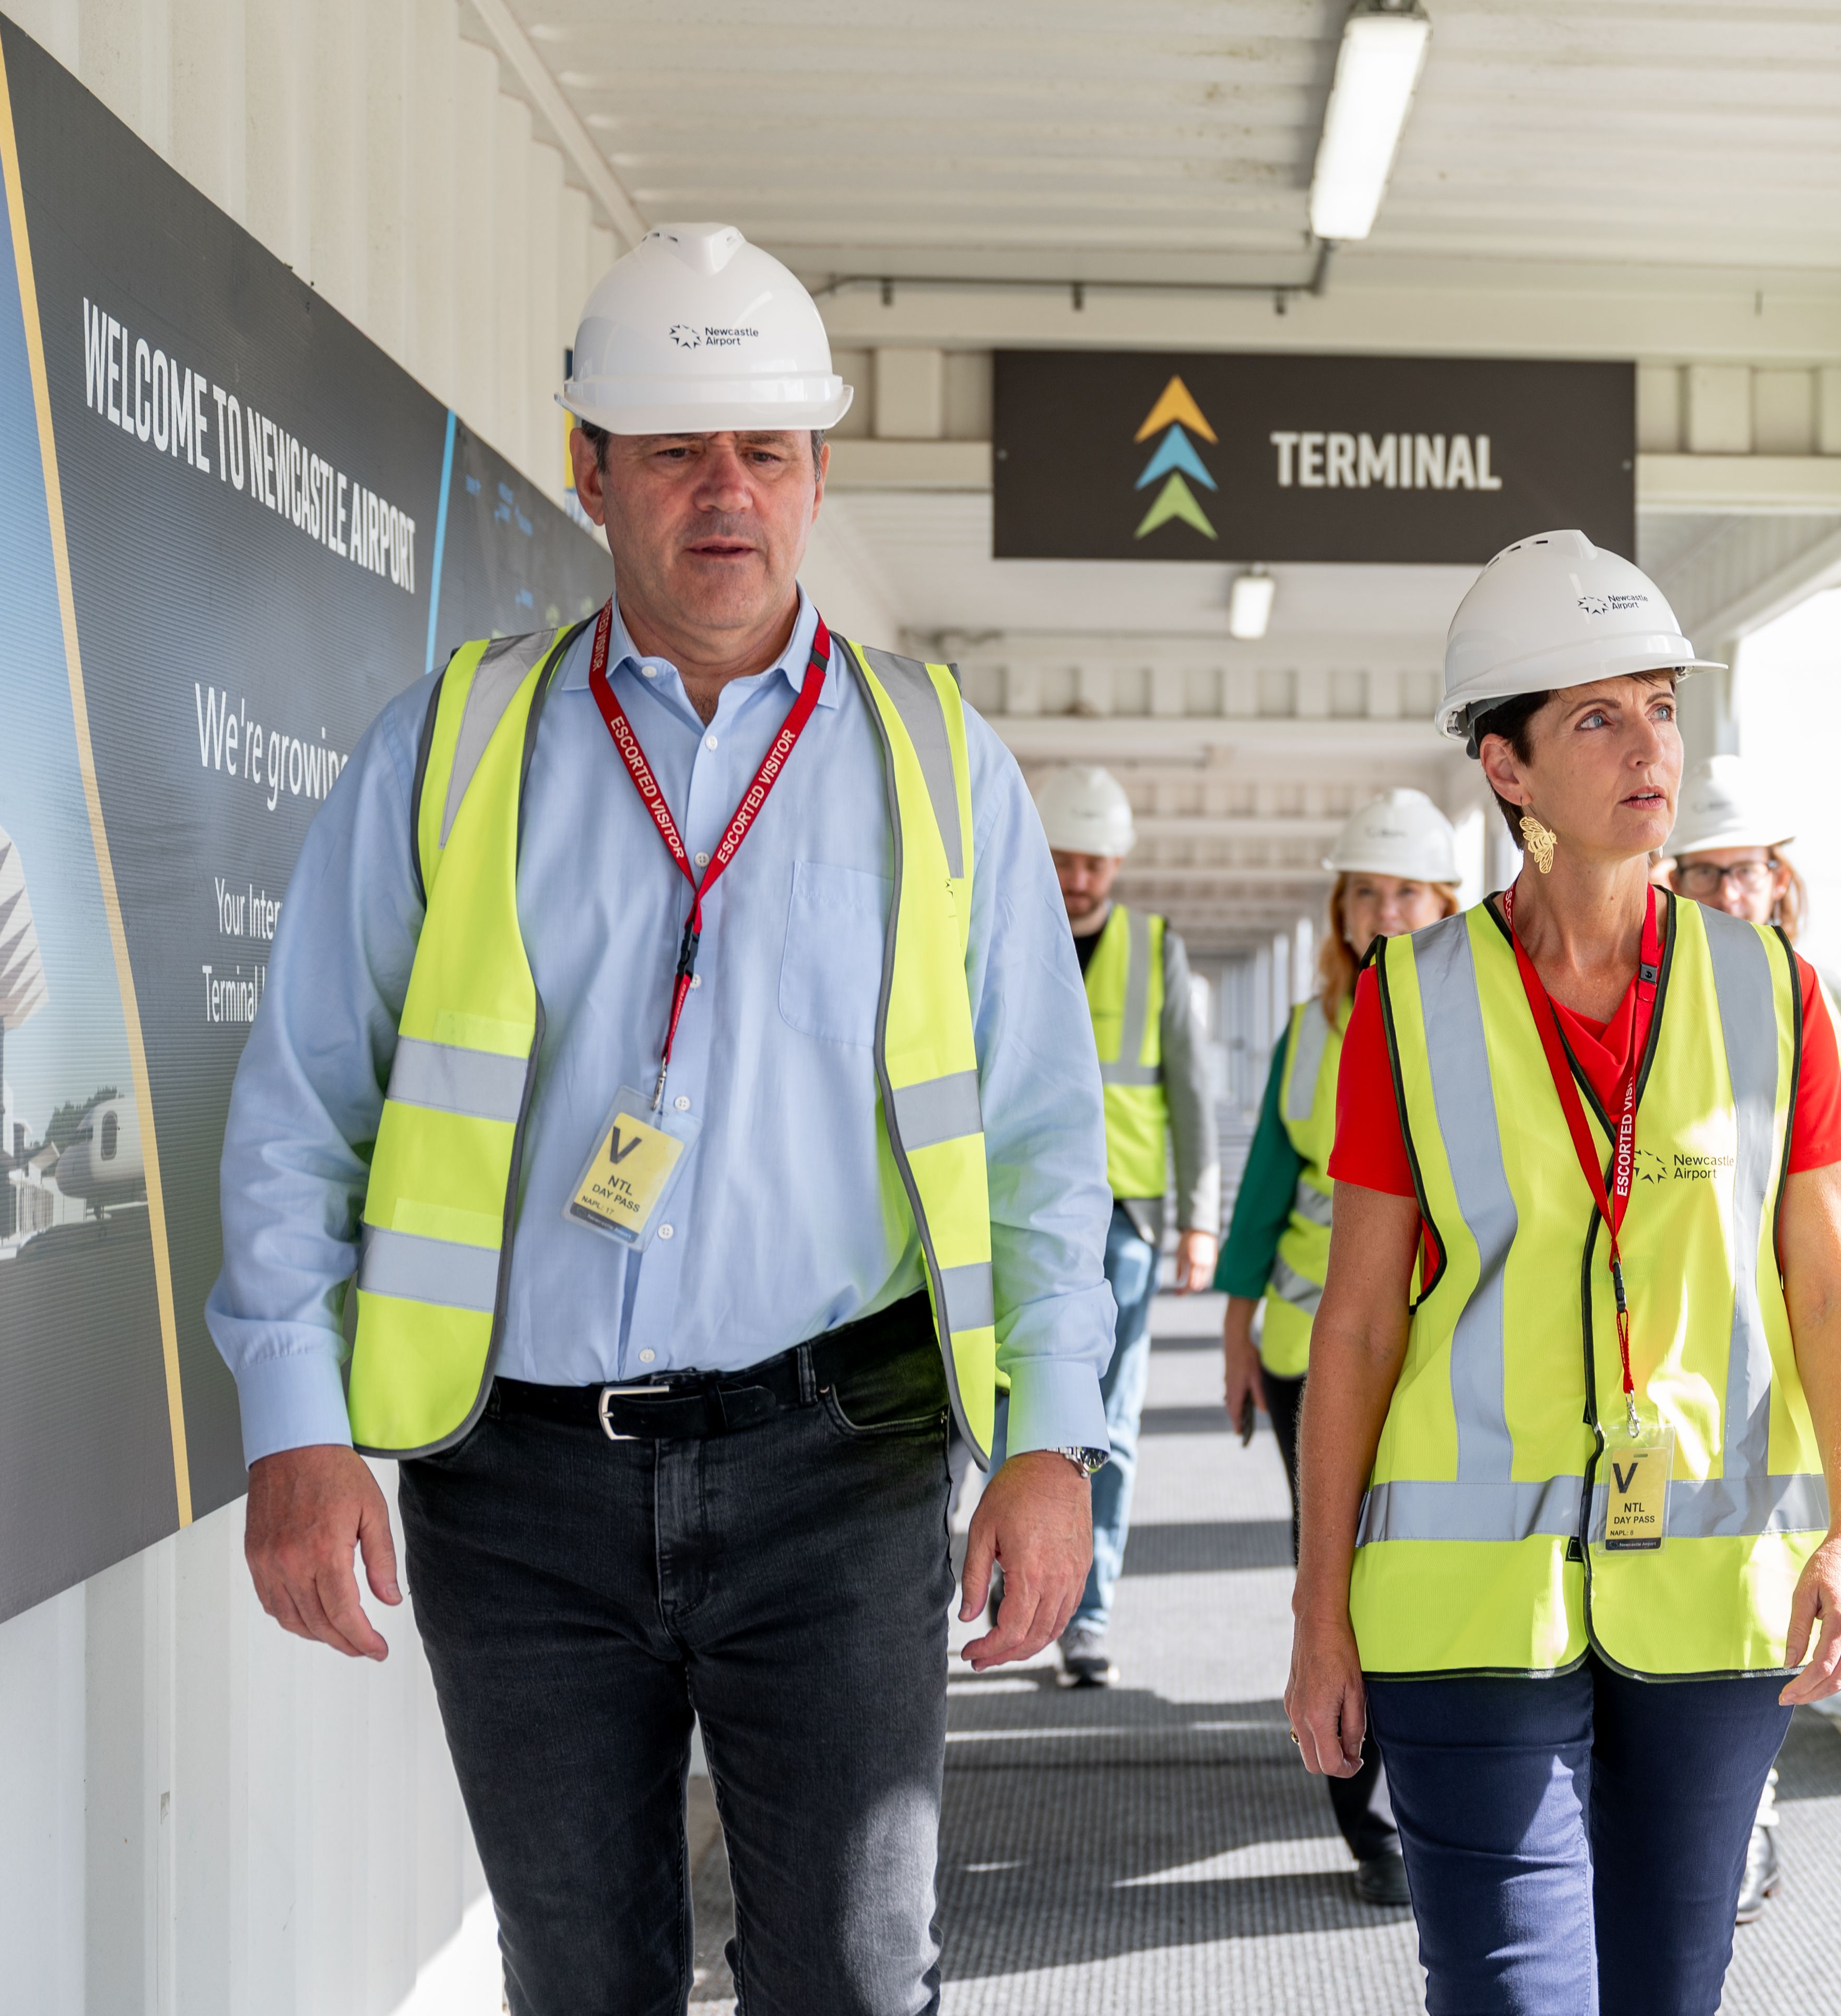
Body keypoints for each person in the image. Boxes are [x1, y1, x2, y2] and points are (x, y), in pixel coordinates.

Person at [208, 222, 1117, 2013]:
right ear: (590, 469)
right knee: (577, 1977)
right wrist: (294, 1422)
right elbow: (303, 1102)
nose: (727, 492)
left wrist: (1055, 1441)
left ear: (816, 476)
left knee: (854, 1975)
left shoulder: (937, 764)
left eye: (765, 450)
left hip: (838, 1461)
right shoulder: (449, 750)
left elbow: (1038, 1136)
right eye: (677, 451)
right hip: (514, 1481)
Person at [1284, 530, 1841, 2015]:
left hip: (1714, 1590)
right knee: (1509, 1992)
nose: (1649, 747)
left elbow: (1831, 1288)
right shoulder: (1407, 1004)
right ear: (1504, 765)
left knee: (1668, 1989)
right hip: (1460, 1600)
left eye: (1661, 708)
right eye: (1598, 717)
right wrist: (1316, 1610)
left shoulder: (1772, 989)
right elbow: (1354, 1326)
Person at [1660, 750, 1841, 1925]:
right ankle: (1717, 1807)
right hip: (1705, 1336)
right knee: (1725, 1573)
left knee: (1804, 1571)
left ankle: (1746, 1813)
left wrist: (1799, 1099)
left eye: (1745, 870)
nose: (1728, 892)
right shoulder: (1655, 994)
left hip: (1825, 1335)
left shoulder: (1833, 998)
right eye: (1705, 872)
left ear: (1779, 879)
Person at [1215, 786, 1463, 1910]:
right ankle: (1374, 1823)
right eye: (1366, 891)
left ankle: (1439, 1784)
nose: (1384, 910)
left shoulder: (1488, 1013)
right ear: (1340, 909)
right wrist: (1233, 1331)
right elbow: (1265, 1191)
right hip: (1310, 1348)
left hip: (1444, 1352)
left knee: (1427, 1567)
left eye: (1406, 890)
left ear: (1446, 901)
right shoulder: (1309, 1029)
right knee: (1332, 1566)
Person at [1035, 761, 1223, 1688]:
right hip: (1020, 1213)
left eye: (1094, 863)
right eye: (1064, 859)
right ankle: (1022, 1580)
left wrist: (1198, 1220)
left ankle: (1087, 1616)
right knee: (1011, 1407)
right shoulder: (999, 930)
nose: (1077, 878)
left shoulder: (1156, 948)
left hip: (1127, 1219)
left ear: (1116, 864)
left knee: (1105, 1422)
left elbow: (1190, 1090)